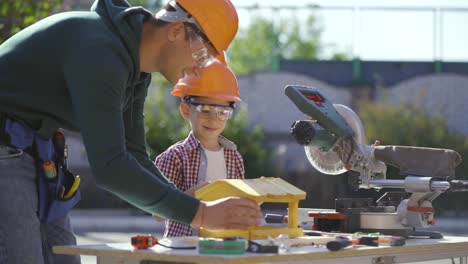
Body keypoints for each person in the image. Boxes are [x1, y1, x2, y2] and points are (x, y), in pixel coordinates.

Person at [0, 0, 262, 263]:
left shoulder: (136, 69)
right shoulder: (99, 49)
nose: (200, 70)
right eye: (203, 56)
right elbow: (111, 167)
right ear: (176, 31)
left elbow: (133, 153)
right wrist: (201, 214)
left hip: (32, 152)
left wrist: (176, 200)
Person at [155, 60, 245, 237]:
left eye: (222, 112)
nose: (213, 119)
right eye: (204, 109)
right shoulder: (174, 157)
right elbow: (157, 213)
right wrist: (199, 192)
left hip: (224, 247)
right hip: (184, 248)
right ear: (186, 110)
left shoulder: (235, 158)